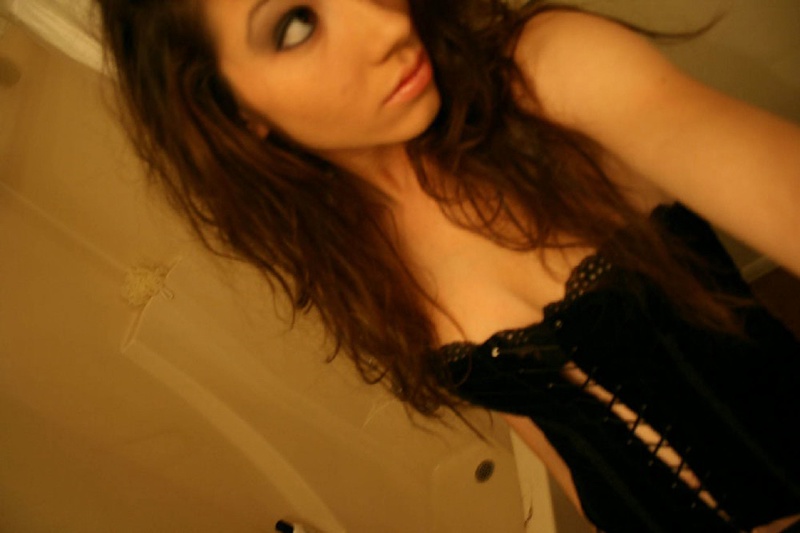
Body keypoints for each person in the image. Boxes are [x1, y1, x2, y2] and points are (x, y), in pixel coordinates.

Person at [95, 0, 800, 531]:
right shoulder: (350, 256)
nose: (386, 23)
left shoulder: (548, 78)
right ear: (231, 109)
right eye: (296, 24)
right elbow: (545, 431)